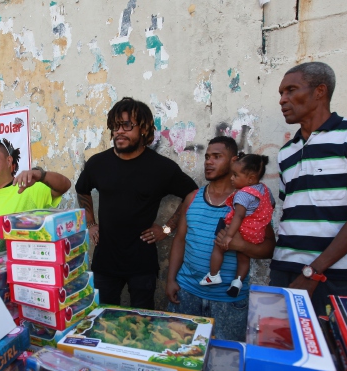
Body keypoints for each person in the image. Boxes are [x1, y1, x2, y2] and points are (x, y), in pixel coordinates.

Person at [271, 61, 347, 317]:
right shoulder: (286, 152)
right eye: (281, 93)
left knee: (341, 353)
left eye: (291, 90)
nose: (283, 99)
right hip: (284, 273)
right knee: (282, 350)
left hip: (336, 277)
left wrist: (313, 271)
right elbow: (292, 215)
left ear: (320, 91)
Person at [75, 97, 198, 310]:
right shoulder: (98, 164)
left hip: (142, 263)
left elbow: (192, 192)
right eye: (115, 126)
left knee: (142, 322)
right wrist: (91, 223)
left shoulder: (160, 168)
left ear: (143, 128)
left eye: (126, 125)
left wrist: (167, 228)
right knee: (102, 319)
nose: (119, 131)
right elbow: (82, 189)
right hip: (106, 261)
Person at [166, 137, 276, 341]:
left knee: (224, 364)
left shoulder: (250, 202)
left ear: (234, 161)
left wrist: (241, 245)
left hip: (228, 302)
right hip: (186, 294)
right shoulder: (192, 198)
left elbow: (270, 248)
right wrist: (171, 279)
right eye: (207, 157)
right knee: (179, 358)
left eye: (217, 157)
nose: (209, 162)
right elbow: (180, 240)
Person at [200, 153, 274, 298]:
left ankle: (213, 275)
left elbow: (238, 216)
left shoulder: (243, 194)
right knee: (244, 257)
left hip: (242, 229)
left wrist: (228, 236)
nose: (232, 178)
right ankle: (237, 282)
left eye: (235, 175)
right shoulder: (265, 190)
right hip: (257, 232)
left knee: (218, 246)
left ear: (251, 178)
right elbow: (271, 205)